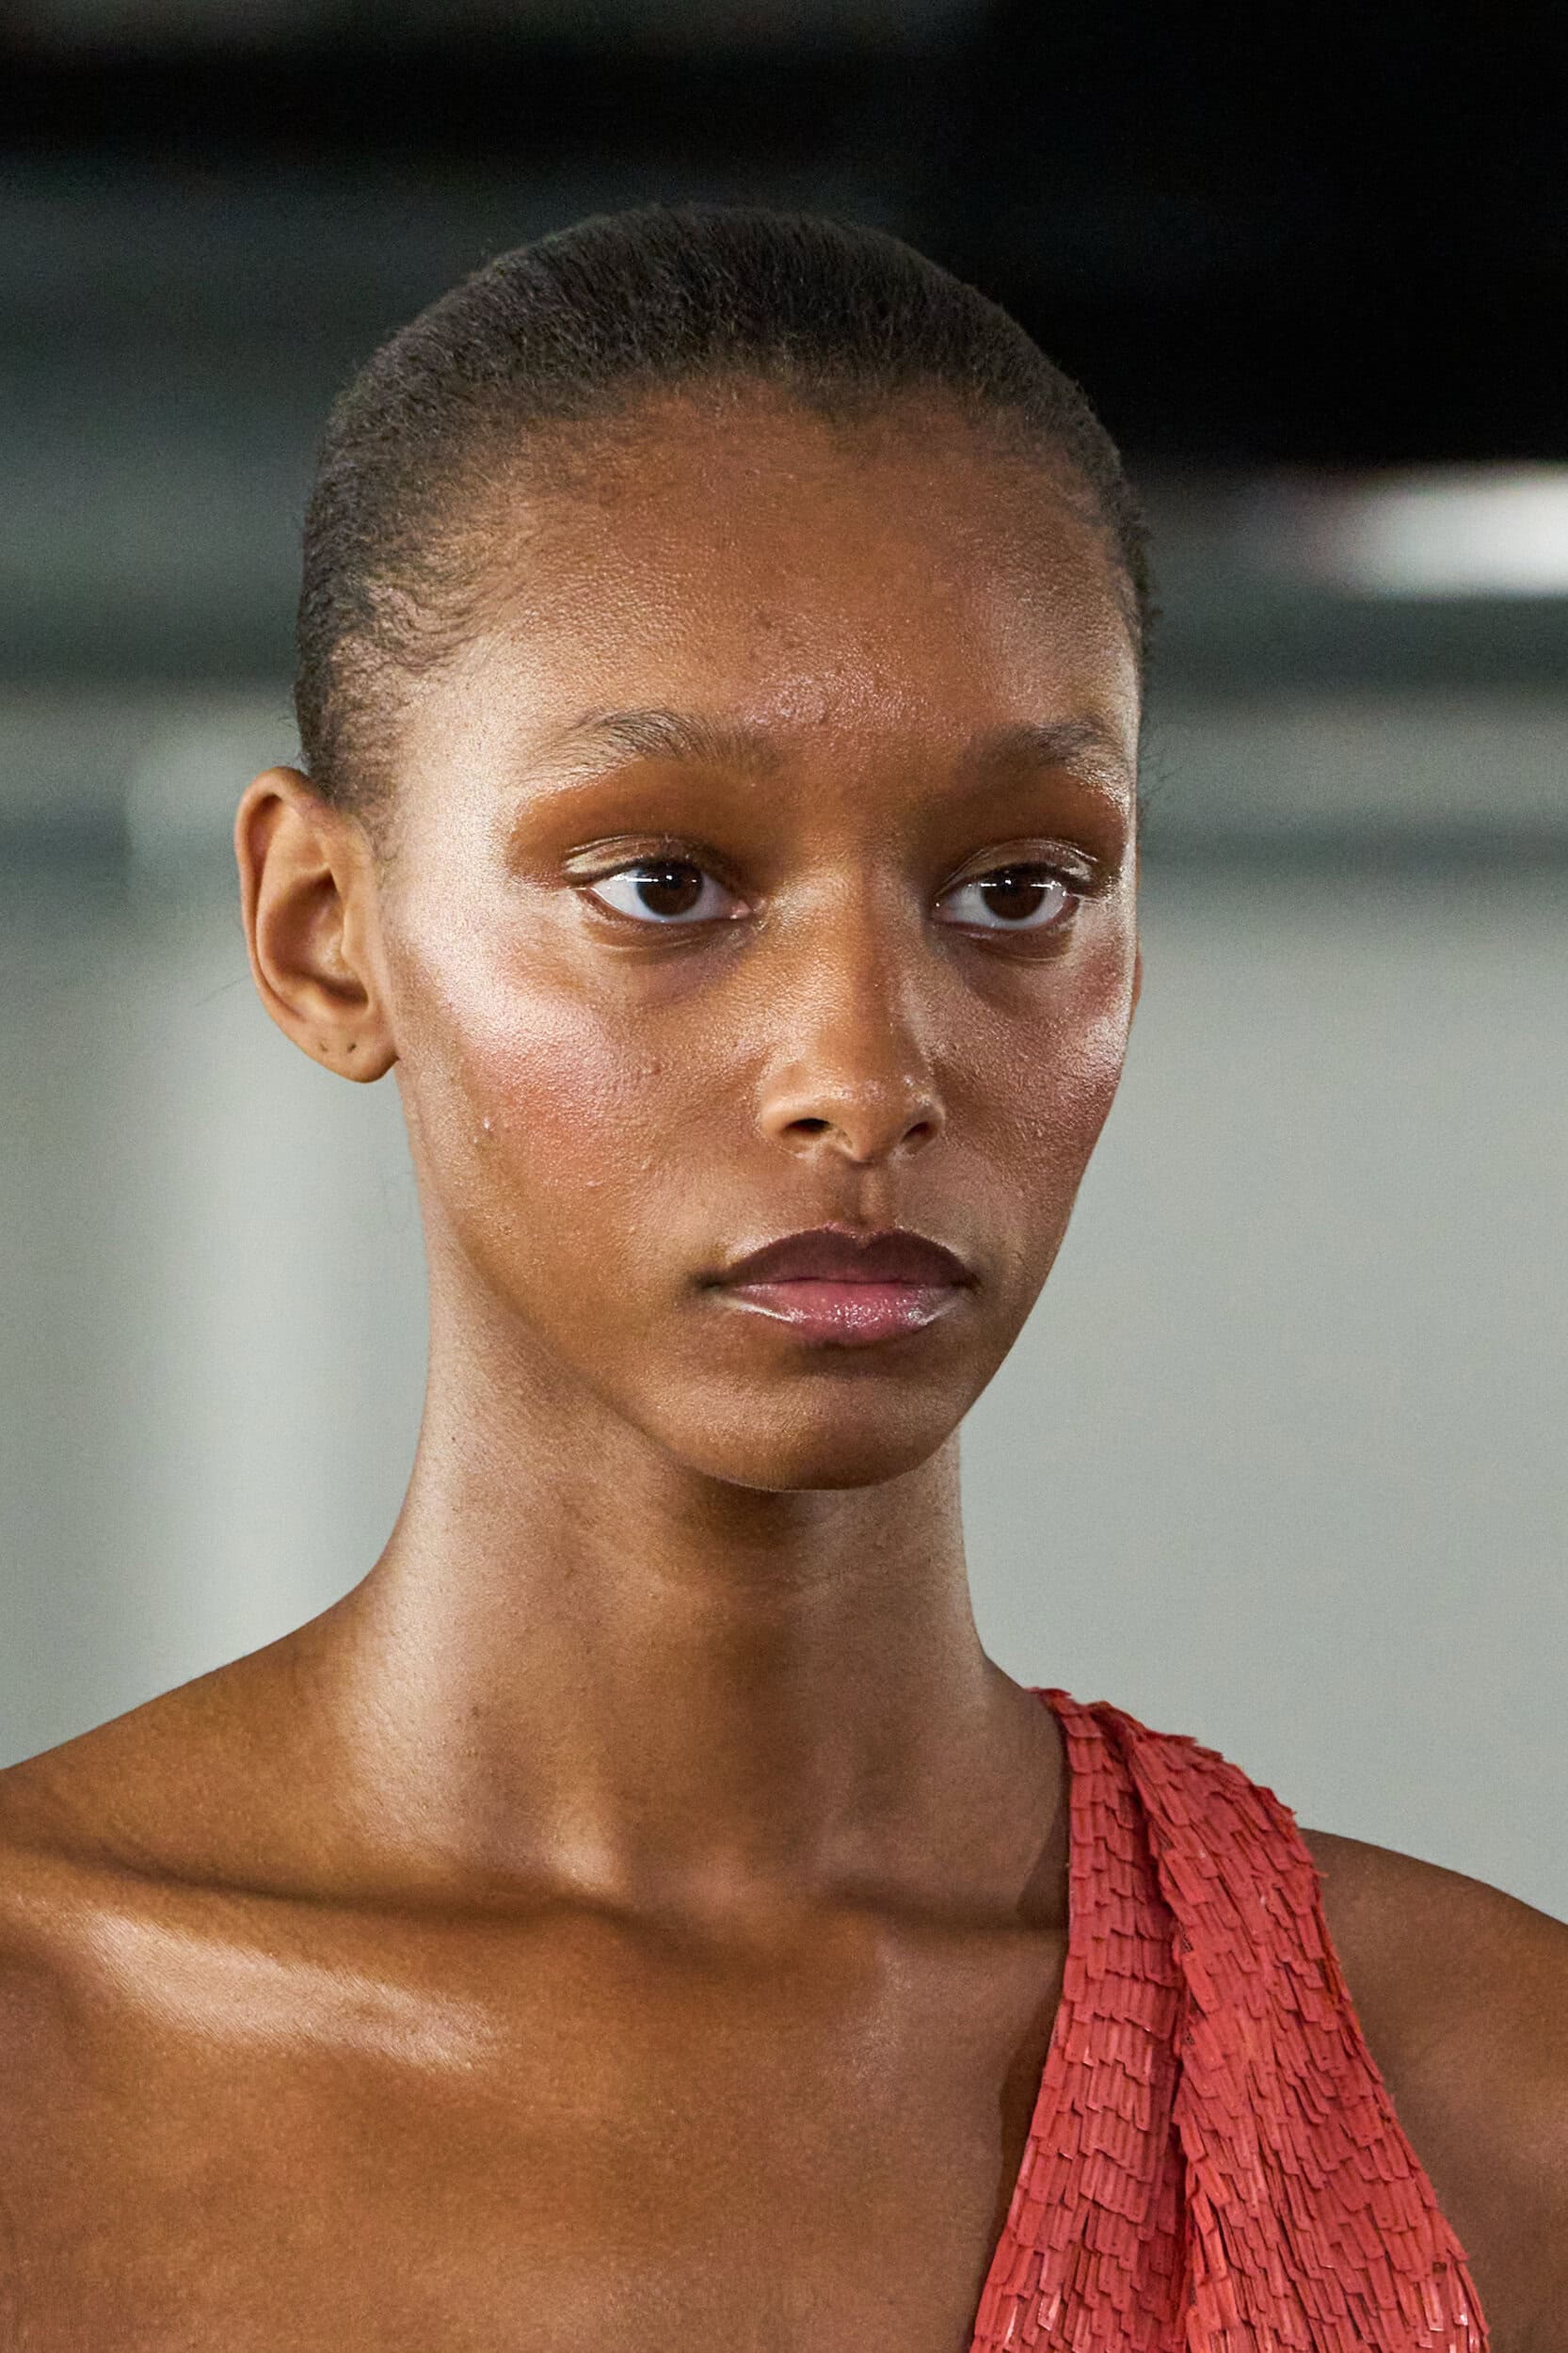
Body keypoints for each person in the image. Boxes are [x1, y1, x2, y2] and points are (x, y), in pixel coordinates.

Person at [0, 202, 1563, 2353]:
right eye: (663, 882)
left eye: (1017, 887)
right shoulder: (42, 2072)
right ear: (322, 932)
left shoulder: (1488, 2101)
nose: (864, 1072)